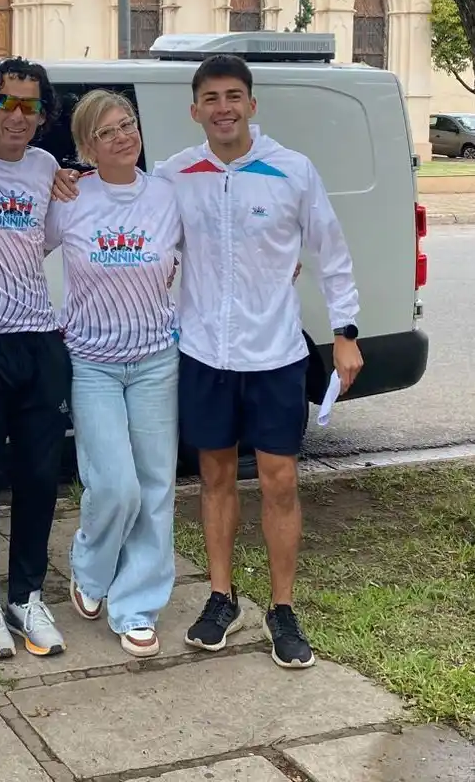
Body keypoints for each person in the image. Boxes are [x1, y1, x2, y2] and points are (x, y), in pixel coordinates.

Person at [159, 54, 362, 669]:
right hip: (202, 354)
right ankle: (221, 596)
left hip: (274, 355)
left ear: (251, 104)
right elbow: (124, 211)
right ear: (194, 110)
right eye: (211, 98)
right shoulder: (174, 174)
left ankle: (281, 608)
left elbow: (331, 254)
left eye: (234, 96)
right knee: (215, 478)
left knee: (280, 481)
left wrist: (346, 333)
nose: (223, 108)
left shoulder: (293, 171)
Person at [45, 90, 182, 657]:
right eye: (107, 132)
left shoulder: (167, 197)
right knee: (115, 485)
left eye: (128, 124)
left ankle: (137, 607)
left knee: (155, 489)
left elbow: (217, 252)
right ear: (85, 147)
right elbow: (12, 246)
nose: (123, 136)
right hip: (92, 363)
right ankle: (90, 566)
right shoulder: (71, 199)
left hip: (155, 361)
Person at [0, 58, 72, 659]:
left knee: (39, 475)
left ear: (43, 115)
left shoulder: (48, 167)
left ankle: (26, 592)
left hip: (41, 340)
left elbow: (44, 238)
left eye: (30, 106)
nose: (17, 116)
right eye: (7, 103)